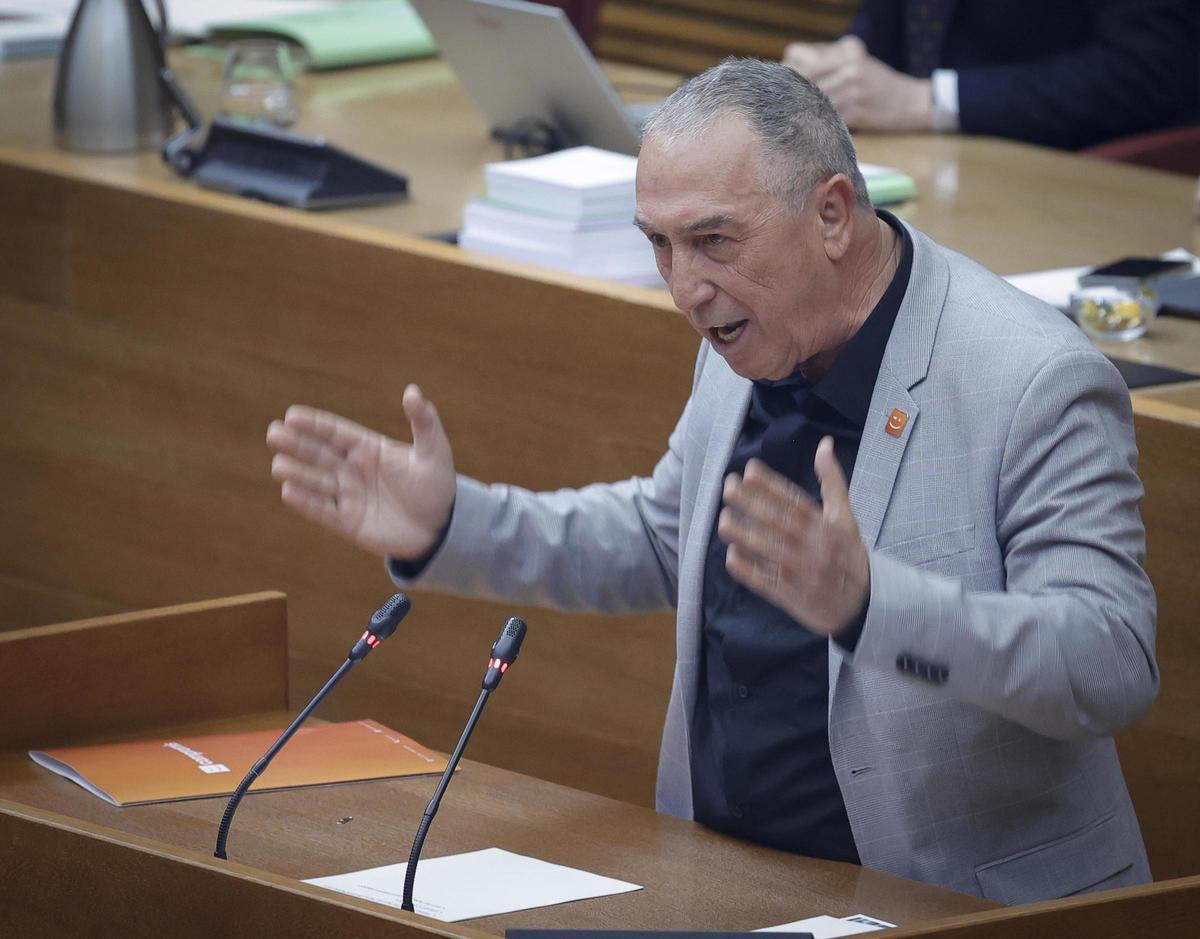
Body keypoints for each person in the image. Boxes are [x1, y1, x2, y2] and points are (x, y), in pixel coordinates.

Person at [266, 59, 1158, 902]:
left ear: (833, 215)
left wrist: (871, 605)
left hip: (957, 903)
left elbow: (1110, 661)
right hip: (734, 882)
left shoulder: (1032, 378)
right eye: (659, 244)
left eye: (713, 241)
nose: (685, 289)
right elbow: (666, 536)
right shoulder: (743, 336)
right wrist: (450, 524)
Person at [782, 0, 1200, 150]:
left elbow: (1149, 70)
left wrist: (931, 102)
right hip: (925, 165)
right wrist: (836, 66)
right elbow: (888, 26)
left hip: (1068, 183)